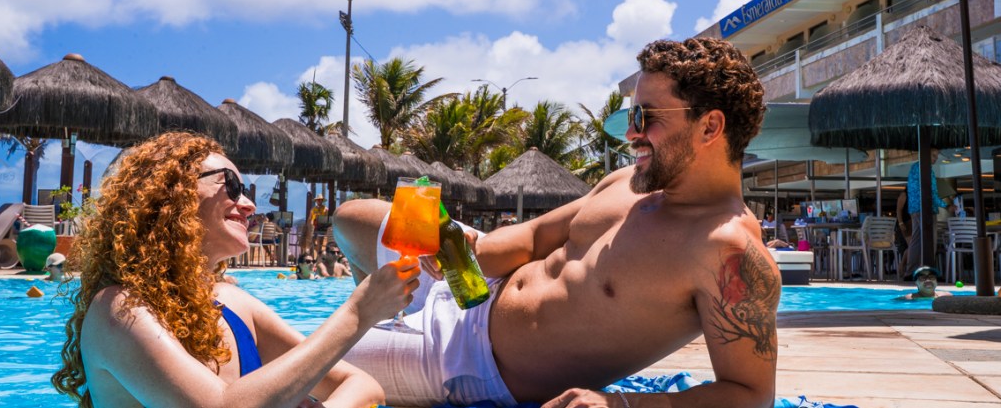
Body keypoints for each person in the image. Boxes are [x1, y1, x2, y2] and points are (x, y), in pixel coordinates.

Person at [334, 37, 779, 407]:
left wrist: (622, 404)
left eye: (645, 117)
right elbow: (533, 237)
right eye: (629, 116)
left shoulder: (729, 253)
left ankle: (389, 349)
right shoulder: (627, 182)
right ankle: (391, 316)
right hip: (475, 283)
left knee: (307, 363)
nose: (629, 133)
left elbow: (751, 394)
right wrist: (469, 251)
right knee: (352, 219)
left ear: (710, 127)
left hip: (469, 358)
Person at [51, 131, 420, 408]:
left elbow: (363, 385)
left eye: (247, 192)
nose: (247, 205)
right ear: (169, 197)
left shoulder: (232, 302)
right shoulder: (119, 310)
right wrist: (359, 313)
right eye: (230, 185)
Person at [904, 150, 954, 278]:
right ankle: (929, 273)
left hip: (915, 208)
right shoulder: (926, 170)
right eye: (933, 155)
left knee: (916, 240)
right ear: (925, 154)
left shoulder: (914, 167)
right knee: (929, 240)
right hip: (926, 209)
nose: (936, 158)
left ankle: (910, 272)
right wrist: (946, 206)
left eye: (937, 156)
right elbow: (930, 193)